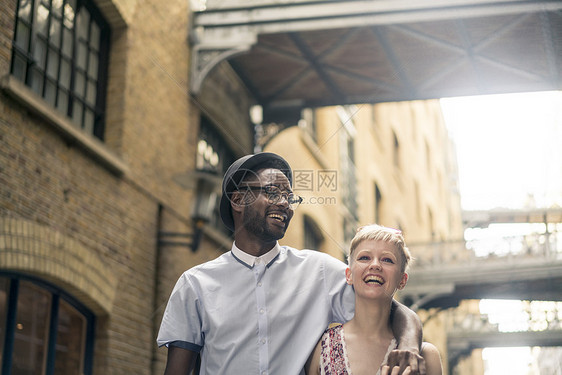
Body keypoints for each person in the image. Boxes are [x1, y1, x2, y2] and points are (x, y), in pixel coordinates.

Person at [157, 152, 426, 375]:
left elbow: (396, 311)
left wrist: (410, 346)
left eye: (289, 196)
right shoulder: (195, 284)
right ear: (238, 200)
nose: (285, 203)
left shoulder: (319, 271)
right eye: (273, 192)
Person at [305, 224, 442, 375]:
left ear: (402, 280)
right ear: (349, 275)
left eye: (387, 260)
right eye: (364, 258)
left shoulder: (425, 356)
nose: (375, 265)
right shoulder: (322, 347)